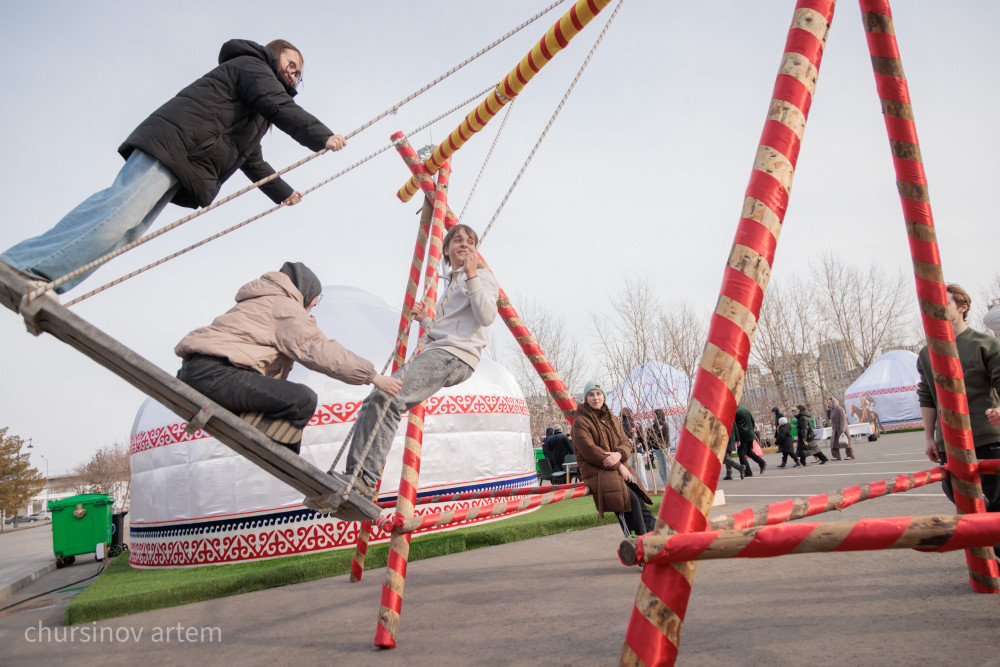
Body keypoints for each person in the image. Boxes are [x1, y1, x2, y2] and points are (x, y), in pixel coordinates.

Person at [2, 39, 346, 294]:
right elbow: (278, 105)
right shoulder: (253, 68)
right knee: (116, 214)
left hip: (184, 162)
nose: (294, 74)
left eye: (299, 73)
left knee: (127, 232)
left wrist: (282, 192)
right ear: (274, 55)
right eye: (291, 64)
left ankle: (48, 283)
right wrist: (323, 136)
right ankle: (22, 265)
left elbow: (251, 157)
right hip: (172, 147)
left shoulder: (256, 113)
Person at [175, 262, 400, 453]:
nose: (313, 308)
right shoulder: (285, 306)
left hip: (195, 372)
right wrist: (372, 376)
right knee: (303, 400)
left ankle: (274, 442)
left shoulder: (258, 301)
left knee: (282, 402)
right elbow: (318, 349)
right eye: (315, 301)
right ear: (306, 293)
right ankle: (287, 459)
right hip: (217, 375)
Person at [344, 224, 499, 501]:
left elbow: (486, 316)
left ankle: (363, 481)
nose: (464, 244)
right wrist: (424, 321)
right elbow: (448, 328)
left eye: (470, 241)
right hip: (443, 349)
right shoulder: (452, 283)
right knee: (377, 397)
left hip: (454, 355)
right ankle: (354, 477)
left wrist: (473, 273)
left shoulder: (482, 277)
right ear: (447, 251)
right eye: (457, 241)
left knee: (388, 397)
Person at [918, 283, 1000, 557]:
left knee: (997, 501)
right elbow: (927, 395)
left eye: (944, 302)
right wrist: (929, 436)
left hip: (988, 437)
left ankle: (991, 552)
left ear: (963, 307)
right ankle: (988, 546)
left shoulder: (985, 343)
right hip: (948, 445)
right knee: (960, 498)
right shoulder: (926, 352)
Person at [571, 380, 655, 539]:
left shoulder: (611, 418)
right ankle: (638, 548)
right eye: (591, 394)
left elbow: (625, 443)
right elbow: (590, 451)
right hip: (598, 472)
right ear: (586, 398)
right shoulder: (580, 422)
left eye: (598, 394)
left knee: (641, 505)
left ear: (603, 396)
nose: (595, 397)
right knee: (629, 502)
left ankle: (657, 543)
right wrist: (619, 465)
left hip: (616, 468)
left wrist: (618, 455)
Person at [734, 405, 766, 476]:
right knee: (749, 451)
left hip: (742, 434)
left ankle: (748, 472)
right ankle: (762, 462)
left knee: (741, 453)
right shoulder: (745, 409)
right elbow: (752, 422)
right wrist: (750, 431)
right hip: (750, 434)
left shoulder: (734, 412)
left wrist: (737, 438)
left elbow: (734, 427)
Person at [648, 408, 671, 485]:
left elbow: (655, 436)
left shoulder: (660, 424)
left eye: (654, 414)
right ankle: (668, 485)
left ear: (657, 414)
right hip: (661, 448)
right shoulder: (659, 423)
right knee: (665, 468)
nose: (653, 416)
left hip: (662, 448)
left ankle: (669, 485)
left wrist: (649, 431)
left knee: (664, 469)